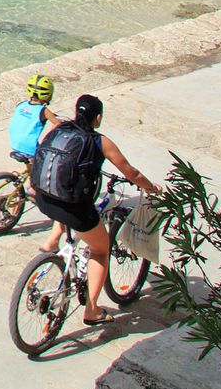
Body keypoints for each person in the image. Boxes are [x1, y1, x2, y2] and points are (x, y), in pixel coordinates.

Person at [30, 94, 160, 326]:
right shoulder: (100, 141)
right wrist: (151, 188)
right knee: (100, 249)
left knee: (66, 206)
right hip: (72, 209)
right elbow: (132, 173)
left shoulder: (59, 130)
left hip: (43, 198)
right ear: (97, 118)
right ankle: (92, 310)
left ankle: (53, 241)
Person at [8, 74, 64, 162]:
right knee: (45, 164)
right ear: (48, 95)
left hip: (15, 143)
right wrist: (49, 138)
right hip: (30, 148)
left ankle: (26, 171)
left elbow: (30, 114)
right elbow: (58, 123)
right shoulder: (44, 111)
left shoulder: (21, 104)